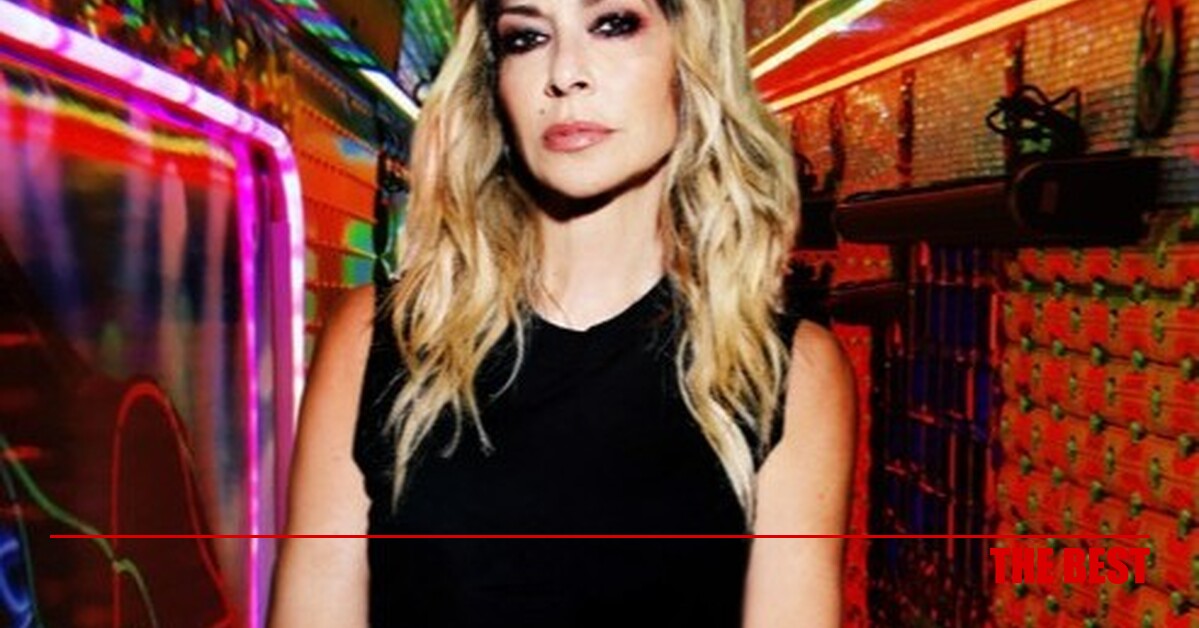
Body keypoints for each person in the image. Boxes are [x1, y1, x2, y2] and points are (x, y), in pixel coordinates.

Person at [268, 0, 855, 626]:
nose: (565, 73)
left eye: (613, 24)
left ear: (692, 56)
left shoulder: (787, 372)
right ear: (492, 81)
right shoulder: (377, 341)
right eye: (527, 38)